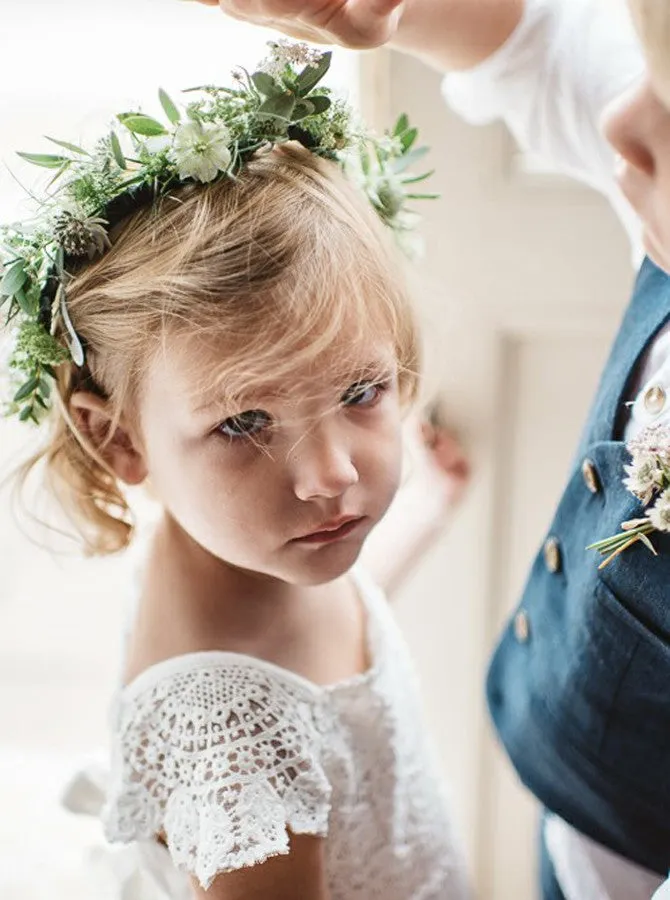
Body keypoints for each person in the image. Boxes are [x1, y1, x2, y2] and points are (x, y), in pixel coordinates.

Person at [190, 0, 670, 898]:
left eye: (364, 392)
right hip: (586, 813)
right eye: (245, 422)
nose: (622, 125)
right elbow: (550, 51)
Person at [0, 42, 470, 900]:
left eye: (361, 390)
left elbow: (322, 659)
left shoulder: (257, 540)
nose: (329, 476)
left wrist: (417, 524)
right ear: (122, 443)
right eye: (245, 423)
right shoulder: (231, 742)